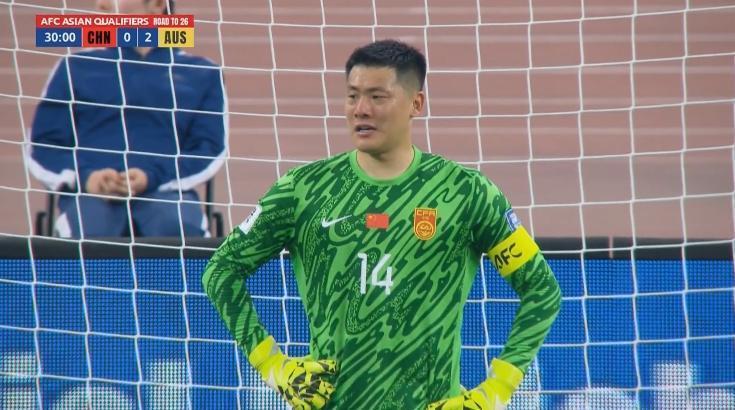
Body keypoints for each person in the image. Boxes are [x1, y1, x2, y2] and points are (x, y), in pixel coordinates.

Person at [202, 39, 561, 409]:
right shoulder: (303, 190)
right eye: (352, 96)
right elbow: (221, 270)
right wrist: (273, 366)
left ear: (416, 104)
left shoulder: (466, 193)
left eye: (377, 97)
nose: (361, 109)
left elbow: (542, 290)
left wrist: (495, 392)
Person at [27, 0, 226, 238]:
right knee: (91, 233)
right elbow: (43, 145)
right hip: (89, 197)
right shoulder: (74, 67)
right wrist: (87, 178)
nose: (101, 4)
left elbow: (208, 149)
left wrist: (151, 177)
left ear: (157, 4)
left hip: (168, 195)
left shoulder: (203, 73)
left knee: (177, 230)